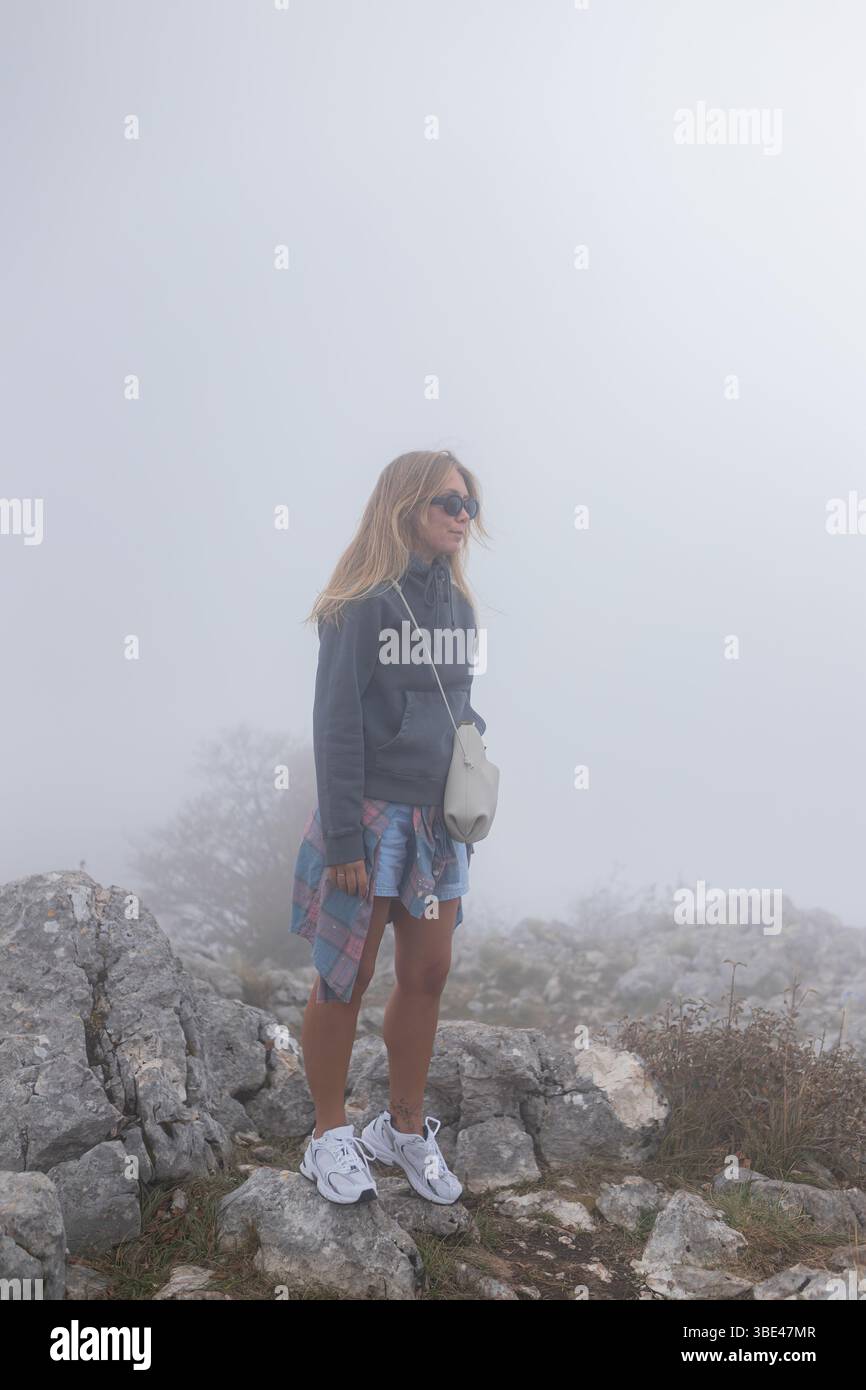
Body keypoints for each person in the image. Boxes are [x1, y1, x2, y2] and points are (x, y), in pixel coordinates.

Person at [291, 448, 490, 1205]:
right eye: (449, 502)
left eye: (470, 506)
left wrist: (472, 756)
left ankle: (401, 1130)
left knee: (429, 971)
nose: (462, 518)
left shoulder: (460, 610)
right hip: (370, 818)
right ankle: (328, 1134)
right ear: (405, 504)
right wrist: (343, 837)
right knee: (344, 975)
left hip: (437, 825)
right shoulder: (361, 603)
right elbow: (335, 724)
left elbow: (458, 704)